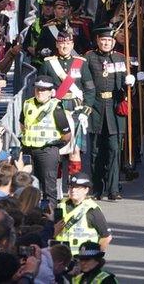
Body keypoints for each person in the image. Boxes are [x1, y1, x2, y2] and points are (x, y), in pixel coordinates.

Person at [82, 27, 133, 201]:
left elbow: (128, 88)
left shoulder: (120, 58)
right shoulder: (89, 57)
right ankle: (97, 188)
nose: (106, 43)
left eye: (109, 41)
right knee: (96, 151)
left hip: (114, 108)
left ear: (114, 42)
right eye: (103, 40)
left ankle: (113, 188)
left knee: (114, 149)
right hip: (96, 107)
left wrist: (130, 83)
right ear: (97, 40)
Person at [40, 30, 92, 178]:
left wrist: (85, 111)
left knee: (74, 150)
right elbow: (41, 88)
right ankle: (56, 191)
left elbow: (90, 89)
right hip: (55, 108)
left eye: (68, 44)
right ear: (57, 44)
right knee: (55, 150)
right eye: (62, 43)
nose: (65, 46)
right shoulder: (48, 64)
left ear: (72, 45)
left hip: (76, 108)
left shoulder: (80, 63)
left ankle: (73, 185)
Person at [20, 77, 72, 202]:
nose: (40, 92)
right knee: (26, 186)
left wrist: (53, 147)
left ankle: (50, 215)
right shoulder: (27, 104)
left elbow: (66, 134)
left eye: (44, 90)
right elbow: (22, 125)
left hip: (47, 151)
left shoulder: (56, 108)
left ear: (51, 92)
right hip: (28, 150)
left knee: (48, 187)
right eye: (38, 89)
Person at [55, 175, 111, 256]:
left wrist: (95, 257)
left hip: (82, 259)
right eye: (71, 187)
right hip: (60, 258)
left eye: (78, 187)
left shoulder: (92, 209)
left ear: (86, 190)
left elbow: (106, 237)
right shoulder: (60, 206)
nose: (73, 190)